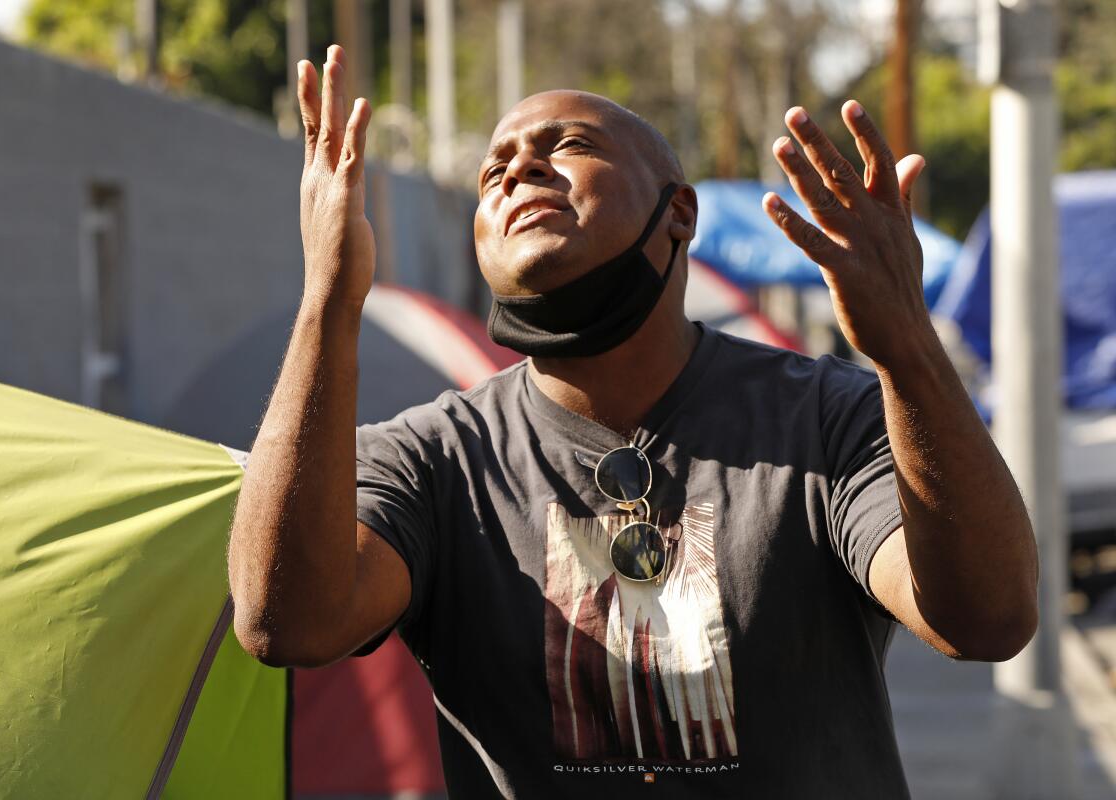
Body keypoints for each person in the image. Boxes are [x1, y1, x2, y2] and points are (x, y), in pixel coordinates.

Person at [228, 44, 1039, 799]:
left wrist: (907, 351)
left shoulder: (827, 415)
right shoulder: (434, 459)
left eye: (567, 144)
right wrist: (328, 302)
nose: (517, 169)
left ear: (677, 213)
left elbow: (987, 617)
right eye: (493, 171)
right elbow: (287, 623)